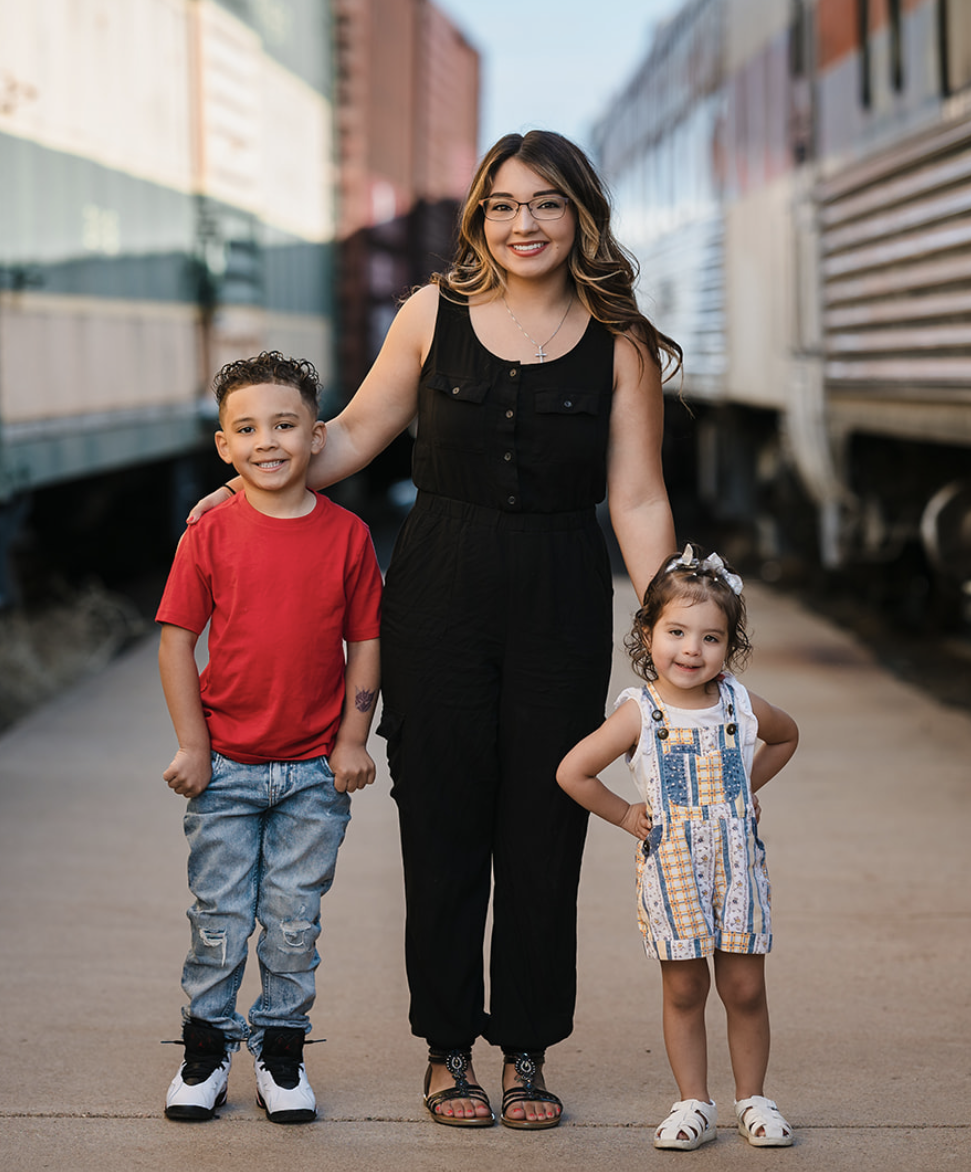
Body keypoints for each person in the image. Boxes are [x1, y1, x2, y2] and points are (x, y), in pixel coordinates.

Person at [186, 130, 681, 1128]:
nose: (523, 224)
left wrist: (672, 619)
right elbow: (359, 433)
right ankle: (448, 1046)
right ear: (478, 218)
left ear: (580, 214)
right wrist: (243, 492)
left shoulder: (619, 342)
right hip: (439, 594)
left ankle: (529, 1050)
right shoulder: (430, 314)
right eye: (502, 205)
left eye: (545, 203)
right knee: (444, 821)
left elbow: (635, 497)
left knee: (544, 822)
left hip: (558, 596)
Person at [156, 351, 384, 1126]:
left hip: (315, 773)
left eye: (285, 425)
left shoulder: (348, 536)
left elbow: (367, 643)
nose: (267, 441)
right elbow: (176, 641)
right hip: (226, 769)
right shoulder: (210, 533)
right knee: (218, 917)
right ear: (223, 446)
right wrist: (194, 745)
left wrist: (354, 737)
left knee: (293, 922)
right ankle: (207, 1050)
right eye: (247, 429)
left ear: (317, 436)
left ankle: (281, 1053)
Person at [556, 546, 799, 1150]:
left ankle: (754, 1099)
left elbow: (787, 735)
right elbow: (573, 772)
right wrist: (625, 814)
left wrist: (746, 785)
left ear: (729, 646)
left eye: (711, 637)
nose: (692, 650)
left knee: (745, 987)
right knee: (685, 988)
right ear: (647, 632)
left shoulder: (740, 705)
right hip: (673, 869)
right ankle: (694, 1101)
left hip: (738, 870)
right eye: (676, 632)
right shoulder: (643, 713)